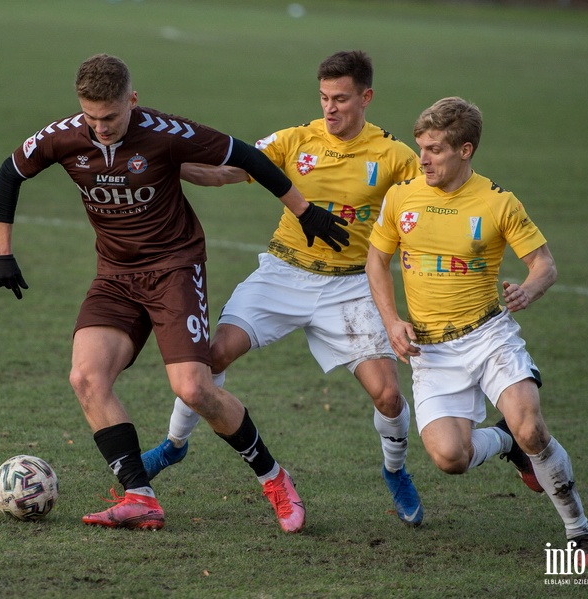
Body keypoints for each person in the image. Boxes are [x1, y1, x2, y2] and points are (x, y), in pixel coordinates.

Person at [0, 53, 351, 533]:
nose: (100, 128)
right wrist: (1, 252)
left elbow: (246, 156)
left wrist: (305, 212)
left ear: (131, 101)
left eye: (111, 117)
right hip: (115, 276)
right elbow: (9, 173)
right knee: (86, 378)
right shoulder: (63, 136)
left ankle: (275, 478)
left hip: (174, 270)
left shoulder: (165, 132)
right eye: (92, 117)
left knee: (194, 388)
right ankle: (141, 497)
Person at [141, 50, 425, 526]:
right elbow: (224, 171)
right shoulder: (295, 140)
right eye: (323, 97)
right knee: (211, 357)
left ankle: (395, 471)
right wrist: (168, 163)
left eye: (340, 99)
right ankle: (173, 446)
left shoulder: (396, 157)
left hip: (350, 288)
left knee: (389, 397)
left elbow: (428, 212)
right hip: (283, 273)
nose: (330, 108)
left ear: (366, 97)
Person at [366, 96, 588, 564]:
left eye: (434, 149)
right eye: (421, 148)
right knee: (450, 459)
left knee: (533, 428)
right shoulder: (402, 196)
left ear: (465, 150)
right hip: (431, 351)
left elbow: (544, 266)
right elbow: (377, 259)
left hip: (489, 336)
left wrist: (529, 291)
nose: (423, 159)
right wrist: (392, 320)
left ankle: (579, 531)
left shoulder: (498, 203)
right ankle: (503, 442)